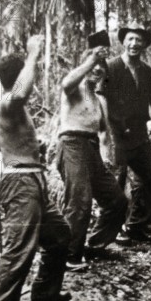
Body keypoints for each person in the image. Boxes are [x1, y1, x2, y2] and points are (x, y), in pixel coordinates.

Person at [0, 35, 71, 301]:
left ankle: (45, 294)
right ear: (20, 75)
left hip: (31, 179)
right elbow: (20, 95)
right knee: (20, 246)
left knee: (59, 235)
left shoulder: (10, 109)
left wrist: (21, 146)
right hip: (20, 183)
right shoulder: (10, 101)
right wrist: (32, 53)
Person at [57, 36, 127, 266]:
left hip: (92, 149)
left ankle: (95, 245)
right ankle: (69, 256)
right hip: (72, 145)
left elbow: (105, 133)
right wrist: (93, 58)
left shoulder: (99, 98)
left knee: (117, 200)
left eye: (100, 68)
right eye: (92, 67)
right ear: (84, 66)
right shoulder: (74, 88)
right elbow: (66, 83)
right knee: (79, 203)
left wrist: (107, 157)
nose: (96, 71)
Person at [104, 22, 151, 243]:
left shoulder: (147, 71)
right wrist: (105, 134)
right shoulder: (111, 67)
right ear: (123, 41)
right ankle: (115, 231)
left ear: (144, 45)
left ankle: (136, 225)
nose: (134, 43)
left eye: (139, 40)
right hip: (116, 134)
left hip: (139, 135)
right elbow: (101, 98)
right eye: (130, 39)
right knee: (116, 183)